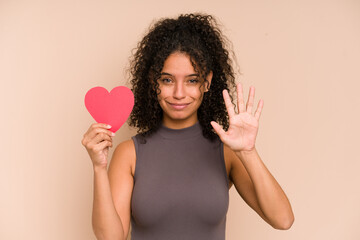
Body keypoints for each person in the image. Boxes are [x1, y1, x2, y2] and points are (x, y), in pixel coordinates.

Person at [81, 13, 294, 240]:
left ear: (207, 82)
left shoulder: (227, 152)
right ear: (154, 80)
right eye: (167, 80)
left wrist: (249, 152)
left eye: (192, 80)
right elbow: (110, 238)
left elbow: (282, 220)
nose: (179, 93)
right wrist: (98, 168)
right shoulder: (130, 153)